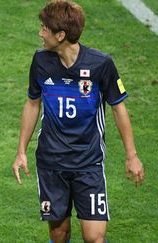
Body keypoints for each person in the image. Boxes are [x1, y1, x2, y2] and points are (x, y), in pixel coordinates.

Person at [12, 1, 145, 242]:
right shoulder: (41, 61)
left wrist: (132, 155)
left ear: (60, 35)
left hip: (88, 162)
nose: (40, 33)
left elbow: (119, 109)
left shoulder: (100, 64)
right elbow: (32, 103)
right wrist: (21, 151)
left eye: (44, 28)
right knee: (59, 233)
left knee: (94, 237)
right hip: (51, 162)